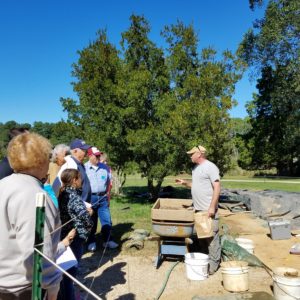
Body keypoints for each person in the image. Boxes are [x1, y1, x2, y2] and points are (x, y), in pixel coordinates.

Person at [0, 132, 62, 300]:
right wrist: (53, 289)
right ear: (41, 160)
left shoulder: (3, 185)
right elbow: (40, 254)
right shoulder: (34, 195)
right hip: (22, 289)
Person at [176, 145, 221, 274]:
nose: (190, 156)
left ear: (199, 154)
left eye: (192, 154)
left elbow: (217, 187)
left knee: (212, 238)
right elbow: (196, 185)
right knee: (202, 236)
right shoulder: (196, 169)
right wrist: (185, 183)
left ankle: (213, 266)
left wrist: (212, 207)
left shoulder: (210, 167)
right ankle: (204, 258)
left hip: (208, 210)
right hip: (198, 209)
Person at [58, 169, 93, 300]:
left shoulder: (62, 193)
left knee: (65, 272)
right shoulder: (73, 197)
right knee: (70, 272)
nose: (81, 181)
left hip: (64, 235)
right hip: (74, 238)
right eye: (79, 178)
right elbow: (86, 219)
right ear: (74, 180)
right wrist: (89, 214)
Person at [85, 147, 118, 251]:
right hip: (90, 198)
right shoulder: (84, 168)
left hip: (103, 197)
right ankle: (91, 241)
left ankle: (108, 241)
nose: (99, 157)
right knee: (91, 221)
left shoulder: (105, 167)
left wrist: (107, 196)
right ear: (90, 156)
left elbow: (108, 183)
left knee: (106, 220)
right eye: (96, 155)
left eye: (99, 155)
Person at [52, 139, 91, 204]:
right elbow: (69, 191)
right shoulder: (70, 166)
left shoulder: (79, 164)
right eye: (84, 150)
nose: (87, 153)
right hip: (76, 208)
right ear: (75, 151)